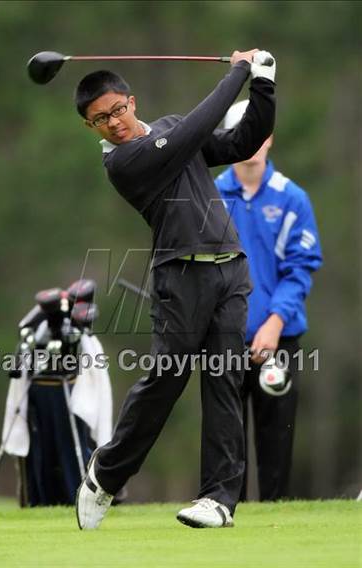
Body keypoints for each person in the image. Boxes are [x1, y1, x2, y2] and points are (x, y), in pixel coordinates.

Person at [73, 48, 276, 529]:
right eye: (101, 119)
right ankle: (106, 472)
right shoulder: (124, 162)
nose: (115, 123)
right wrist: (239, 72)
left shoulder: (166, 127)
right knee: (166, 380)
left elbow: (243, 142)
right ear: (92, 128)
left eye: (118, 110)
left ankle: (218, 500)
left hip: (230, 269)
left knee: (225, 382)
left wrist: (264, 85)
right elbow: (192, 132)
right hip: (179, 277)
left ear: (132, 101)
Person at [214, 100, 323, 501]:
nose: (253, 143)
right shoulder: (209, 196)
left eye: (259, 133)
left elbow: (300, 268)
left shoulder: (292, 198)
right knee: (226, 447)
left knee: (276, 444)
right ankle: (225, 516)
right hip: (224, 341)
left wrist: (274, 323)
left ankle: (275, 524)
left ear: (270, 137)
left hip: (280, 340)